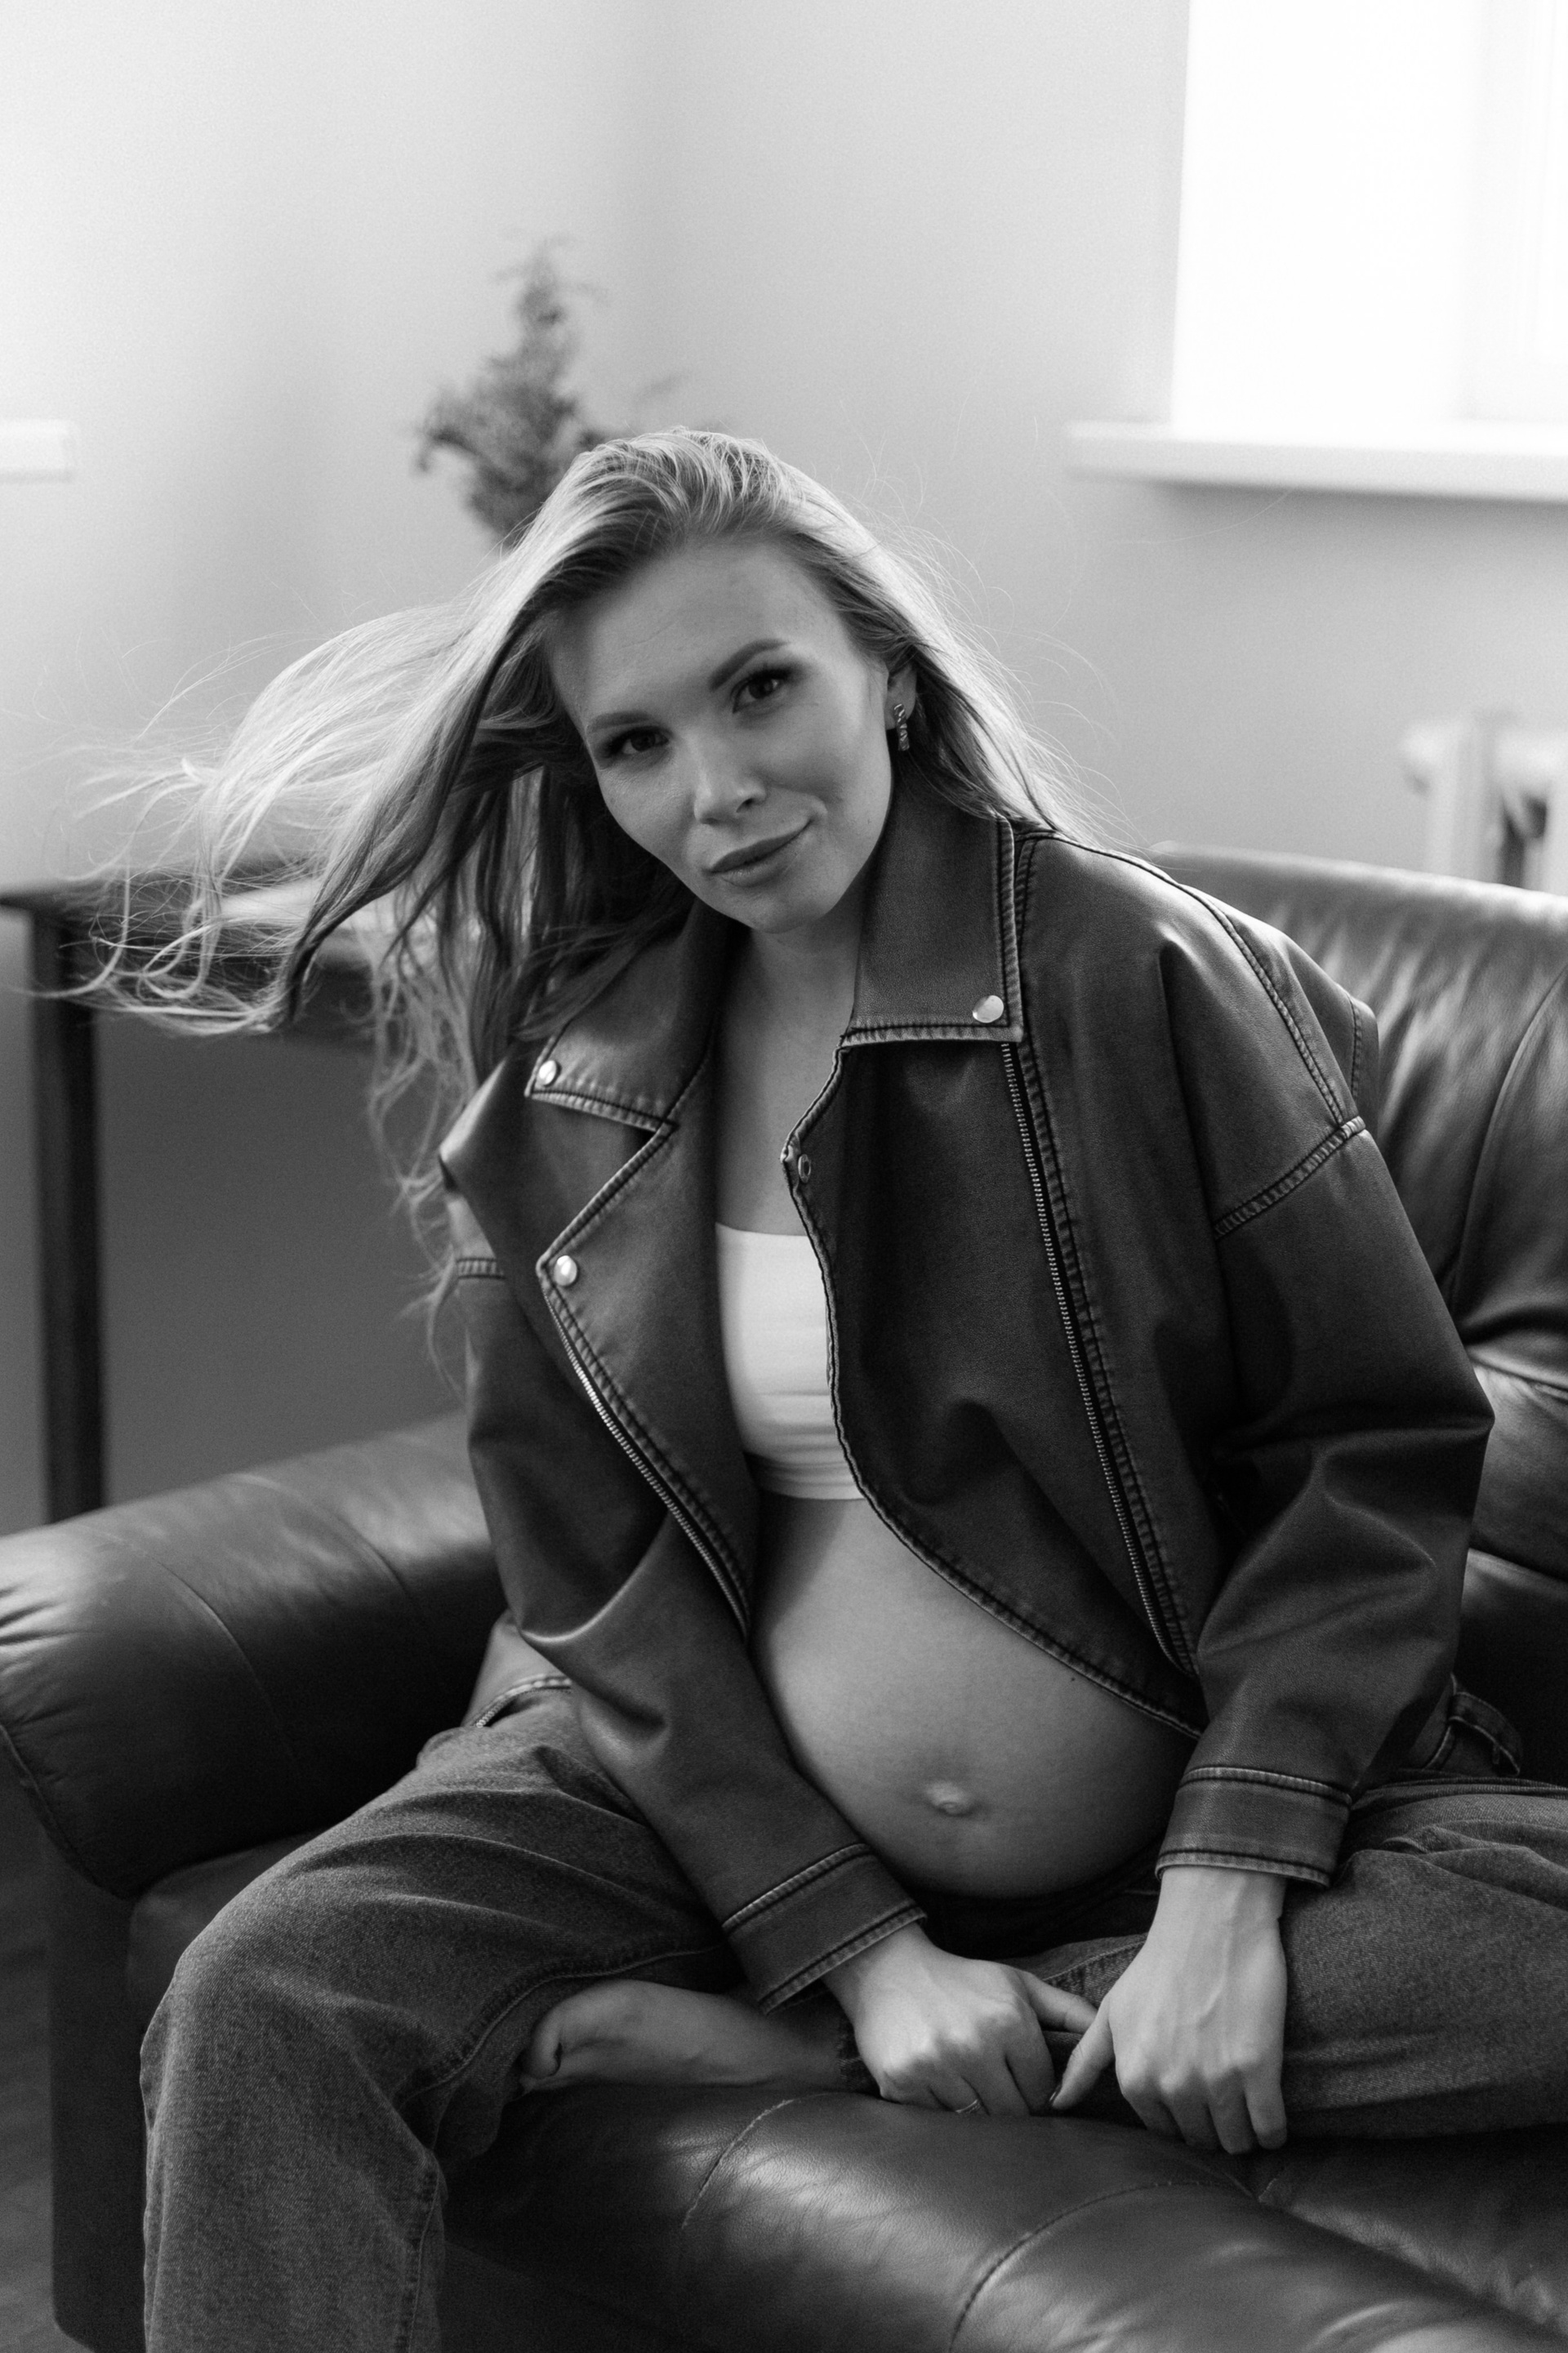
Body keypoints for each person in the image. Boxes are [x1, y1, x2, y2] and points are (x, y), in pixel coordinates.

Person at [134, 430, 1567, 2352]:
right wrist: (860, 1944)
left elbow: (1367, 1449)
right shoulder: (574, 1087)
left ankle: (843, 2049)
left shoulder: (1138, 975)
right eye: (638, 742)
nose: (716, 789)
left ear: (885, 668)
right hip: (713, 1812)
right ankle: (892, 2015)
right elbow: (600, 1584)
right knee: (266, 1995)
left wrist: (1230, 1884)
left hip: (1185, 1823)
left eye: (759, 689)